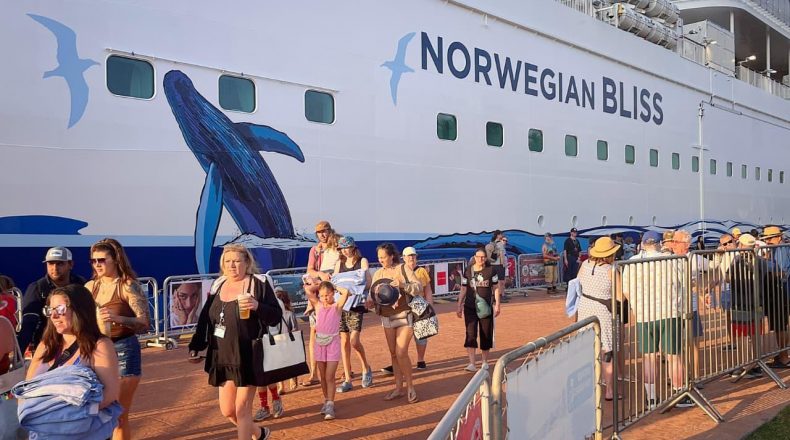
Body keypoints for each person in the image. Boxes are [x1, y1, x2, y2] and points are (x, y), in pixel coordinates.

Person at [188, 244, 282, 440]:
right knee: (228, 411)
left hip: (249, 354)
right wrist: (196, 346)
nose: (232, 265)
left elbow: (275, 316)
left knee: (242, 409)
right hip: (222, 355)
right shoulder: (218, 285)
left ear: (247, 263)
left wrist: (257, 306)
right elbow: (205, 318)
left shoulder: (258, 284)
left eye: (237, 261)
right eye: (228, 261)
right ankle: (260, 433)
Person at [24, 284, 121, 435]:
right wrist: (30, 415)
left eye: (60, 309)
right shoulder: (45, 346)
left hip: (81, 431)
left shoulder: (99, 345)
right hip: (43, 431)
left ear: (79, 310)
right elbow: (28, 389)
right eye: (50, 310)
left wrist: (69, 417)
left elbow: (110, 393)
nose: (53, 316)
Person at [84, 238, 149, 440]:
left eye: (102, 260)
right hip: (96, 351)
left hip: (123, 350)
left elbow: (144, 323)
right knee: (96, 413)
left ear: (115, 260)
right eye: (93, 261)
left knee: (118, 415)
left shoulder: (128, 286)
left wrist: (118, 318)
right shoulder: (90, 287)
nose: (97, 264)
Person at [369, 243, 422, 404]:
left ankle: (410, 387)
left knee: (401, 352)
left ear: (392, 256)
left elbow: (418, 287)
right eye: (379, 257)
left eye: (383, 257)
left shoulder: (403, 268)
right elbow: (374, 295)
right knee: (393, 353)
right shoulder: (378, 273)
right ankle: (398, 388)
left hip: (404, 315)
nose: (381, 260)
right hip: (386, 317)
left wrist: (402, 285)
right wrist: (370, 302)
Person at [18, 247, 86, 354]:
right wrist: (19, 352)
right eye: (50, 263)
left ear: (71, 264)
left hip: (80, 345)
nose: (55, 268)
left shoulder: (82, 284)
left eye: (60, 263)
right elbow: (28, 323)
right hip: (48, 347)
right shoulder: (37, 288)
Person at [576, 237, 620, 401]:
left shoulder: (585, 264)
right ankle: (609, 391)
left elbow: (577, 283)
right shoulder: (611, 270)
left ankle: (589, 387)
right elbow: (620, 296)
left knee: (587, 347)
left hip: (585, 307)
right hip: (603, 311)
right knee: (607, 350)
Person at [302, 220, 341, 387]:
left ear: (330, 231)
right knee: (314, 334)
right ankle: (314, 374)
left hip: (335, 298)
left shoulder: (338, 245)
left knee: (342, 336)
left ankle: (346, 372)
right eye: (319, 232)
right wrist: (321, 274)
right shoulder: (315, 250)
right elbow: (309, 270)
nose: (322, 234)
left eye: (325, 231)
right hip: (319, 299)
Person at [333, 236, 374, 391]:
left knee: (354, 341)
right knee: (344, 341)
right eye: (342, 248)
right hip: (341, 305)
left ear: (353, 248)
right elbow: (334, 283)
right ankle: (348, 379)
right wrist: (344, 288)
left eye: (347, 247)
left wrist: (362, 291)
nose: (345, 251)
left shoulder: (362, 261)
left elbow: (368, 282)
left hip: (356, 305)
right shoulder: (339, 263)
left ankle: (366, 367)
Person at [306, 281, 350, 420]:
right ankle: (326, 400)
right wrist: (320, 284)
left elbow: (346, 292)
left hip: (332, 344)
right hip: (320, 344)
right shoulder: (318, 305)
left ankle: (330, 404)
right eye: (322, 295)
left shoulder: (337, 307)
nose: (325, 298)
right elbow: (308, 290)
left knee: (330, 376)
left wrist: (334, 286)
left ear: (333, 294)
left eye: (327, 295)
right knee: (323, 377)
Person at [254, 287, 298, 421]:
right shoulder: (251, 300)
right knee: (260, 378)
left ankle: (276, 400)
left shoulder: (275, 302)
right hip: (256, 343)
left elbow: (278, 323)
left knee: (269, 376)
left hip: (273, 343)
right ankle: (264, 407)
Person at [457, 248, 502, 372]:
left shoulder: (491, 270)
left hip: (486, 308)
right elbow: (463, 289)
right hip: (470, 307)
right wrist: (459, 305)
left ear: (486, 258)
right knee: (470, 333)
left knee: (486, 333)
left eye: (483, 257)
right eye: (478, 256)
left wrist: (497, 304)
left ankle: (484, 362)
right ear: (474, 257)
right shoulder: (468, 271)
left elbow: (496, 288)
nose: (480, 259)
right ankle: (472, 363)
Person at [759, 226, 790, 368]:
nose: (768, 241)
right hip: (780, 292)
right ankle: (783, 354)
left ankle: (784, 357)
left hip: (781, 292)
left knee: (780, 326)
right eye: (766, 239)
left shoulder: (781, 250)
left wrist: (765, 267)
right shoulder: (777, 249)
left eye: (770, 238)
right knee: (781, 325)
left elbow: (782, 273)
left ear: (778, 237)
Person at [403, 247, 433, 369]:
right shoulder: (400, 271)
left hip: (420, 305)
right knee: (403, 335)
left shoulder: (421, 271)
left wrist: (429, 306)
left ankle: (421, 360)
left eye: (413, 255)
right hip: (404, 307)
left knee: (421, 334)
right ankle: (399, 359)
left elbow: (428, 290)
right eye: (409, 256)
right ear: (403, 258)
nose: (411, 258)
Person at [485, 231, 509, 302]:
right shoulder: (500, 244)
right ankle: (500, 296)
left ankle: (495, 296)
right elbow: (501, 255)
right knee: (500, 281)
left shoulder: (491, 243)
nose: (502, 235)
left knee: (495, 281)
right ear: (498, 235)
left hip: (493, 264)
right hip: (499, 265)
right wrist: (503, 264)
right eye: (501, 234)